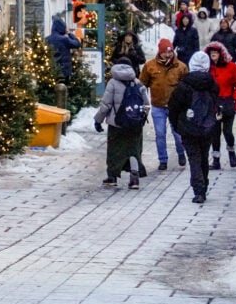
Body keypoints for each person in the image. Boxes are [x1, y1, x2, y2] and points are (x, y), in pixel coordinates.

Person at [168, 51, 220, 203]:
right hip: (207, 126)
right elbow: (216, 102)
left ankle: (198, 190)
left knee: (194, 158)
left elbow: (174, 107)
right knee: (204, 156)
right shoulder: (212, 84)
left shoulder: (184, 85)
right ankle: (203, 187)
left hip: (188, 127)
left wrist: (176, 124)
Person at [93, 57, 150, 189]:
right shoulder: (138, 83)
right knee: (134, 150)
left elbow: (106, 104)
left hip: (116, 124)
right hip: (134, 125)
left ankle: (112, 177)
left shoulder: (112, 83)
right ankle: (134, 178)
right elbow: (146, 104)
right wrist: (140, 118)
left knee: (114, 150)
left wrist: (98, 120)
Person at [138, 38, 189, 171]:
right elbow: (142, 84)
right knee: (160, 134)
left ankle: (181, 152)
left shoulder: (181, 67)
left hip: (175, 107)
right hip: (158, 105)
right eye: (165, 52)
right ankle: (163, 160)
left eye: (170, 52)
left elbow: (187, 87)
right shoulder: (150, 66)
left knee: (178, 134)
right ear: (159, 52)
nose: (168, 55)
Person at [205, 42, 236, 169]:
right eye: (211, 52)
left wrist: (234, 98)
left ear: (221, 54)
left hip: (228, 103)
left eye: (216, 52)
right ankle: (216, 159)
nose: (214, 54)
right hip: (213, 104)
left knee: (227, 131)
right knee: (214, 133)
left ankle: (231, 150)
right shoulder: (207, 68)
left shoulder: (232, 67)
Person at [45, 17, 81, 82]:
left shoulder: (47, 39)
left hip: (51, 70)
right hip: (64, 70)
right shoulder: (64, 39)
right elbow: (77, 44)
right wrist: (69, 33)